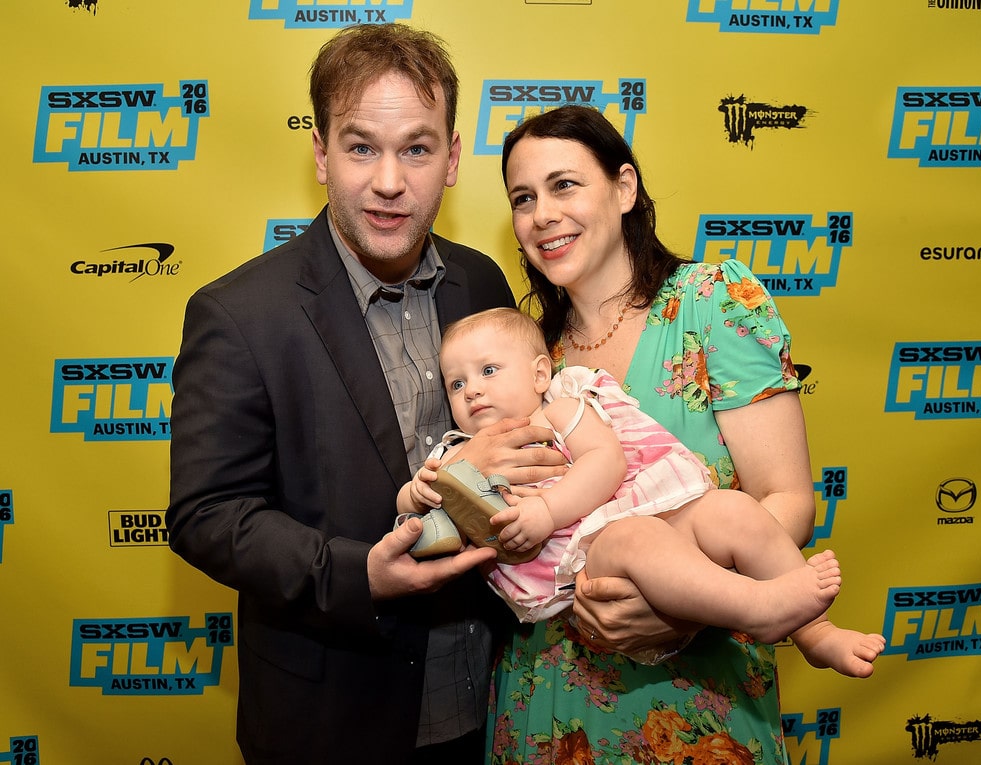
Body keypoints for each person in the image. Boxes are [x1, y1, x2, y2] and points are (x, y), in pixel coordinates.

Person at [165, 23, 568, 764]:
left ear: (452, 159)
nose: (389, 181)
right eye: (360, 147)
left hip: (493, 704)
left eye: (416, 148)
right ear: (321, 154)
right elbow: (206, 515)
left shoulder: (481, 283)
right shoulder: (240, 314)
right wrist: (357, 575)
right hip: (331, 721)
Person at [486, 104, 885, 763]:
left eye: (564, 185)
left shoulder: (712, 301)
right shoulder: (528, 360)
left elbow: (788, 500)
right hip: (547, 699)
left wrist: (682, 604)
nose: (542, 215)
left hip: (696, 700)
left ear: (624, 188)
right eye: (523, 198)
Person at [398, 306, 883, 676]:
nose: (472, 391)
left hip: (639, 515)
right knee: (632, 538)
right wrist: (417, 494)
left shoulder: (560, 411)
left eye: (488, 371)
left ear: (540, 374)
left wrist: (547, 510)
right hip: (584, 564)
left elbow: (606, 462)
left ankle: (815, 632)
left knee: (732, 509)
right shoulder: (458, 452)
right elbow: (412, 511)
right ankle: (757, 608)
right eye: (456, 384)